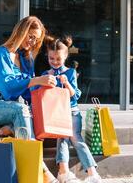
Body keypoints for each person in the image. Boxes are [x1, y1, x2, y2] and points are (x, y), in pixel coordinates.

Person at [0, 16, 59, 183]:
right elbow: (8, 87)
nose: (32, 42)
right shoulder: (1, 53)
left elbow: (28, 94)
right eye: (30, 36)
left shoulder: (26, 59)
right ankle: (42, 171)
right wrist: (36, 80)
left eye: (36, 39)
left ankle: (3, 133)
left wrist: (47, 88)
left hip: (12, 108)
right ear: (21, 32)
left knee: (30, 111)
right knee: (21, 110)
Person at [42, 35, 102, 183]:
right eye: (51, 59)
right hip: (56, 114)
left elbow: (74, 95)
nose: (55, 62)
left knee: (76, 139)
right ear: (47, 56)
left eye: (58, 59)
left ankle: (92, 173)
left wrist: (67, 83)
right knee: (61, 138)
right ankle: (63, 172)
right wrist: (45, 81)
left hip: (72, 112)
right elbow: (40, 95)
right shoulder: (45, 74)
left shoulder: (70, 72)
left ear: (66, 56)